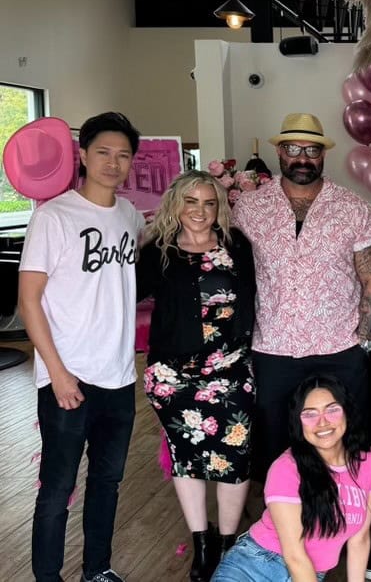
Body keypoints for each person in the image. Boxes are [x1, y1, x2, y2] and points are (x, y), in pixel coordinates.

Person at [232, 113, 371, 578]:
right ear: (279, 151)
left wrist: (362, 339)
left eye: (312, 150)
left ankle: (359, 538)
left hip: (338, 347)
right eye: (293, 149)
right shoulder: (248, 209)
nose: (302, 158)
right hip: (274, 347)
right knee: (282, 448)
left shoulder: (354, 207)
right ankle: (290, 541)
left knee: (349, 447)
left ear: (324, 154)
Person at [19, 112, 144, 582]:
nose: (113, 163)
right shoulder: (53, 217)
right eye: (103, 153)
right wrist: (58, 372)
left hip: (118, 375)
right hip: (67, 378)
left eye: (123, 155)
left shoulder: (130, 216)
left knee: (108, 483)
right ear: (83, 156)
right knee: (57, 488)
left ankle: (98, 570)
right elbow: (29, 301)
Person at [136, 170, 256, 581]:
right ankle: (202, 545)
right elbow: (122, 292)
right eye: (191, 202)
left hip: (231, 368)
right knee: (187, 460)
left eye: (209, 202)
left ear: (219, 206)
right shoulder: (158, 251)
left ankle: (227, 544)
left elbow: (257, 293)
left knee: (235, 457)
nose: (200, 211)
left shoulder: (236, 246)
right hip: (173, 373)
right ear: (177, 204)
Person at [213, 375, 371, 582]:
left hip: (309, 573)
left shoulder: (369, 461)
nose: (323, 422)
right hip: (255, 565)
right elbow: (294, 555)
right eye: (309, 414)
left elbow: (360, 539)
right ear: (298, 422)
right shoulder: (286, 468)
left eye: (332, 409)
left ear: (347, 412)